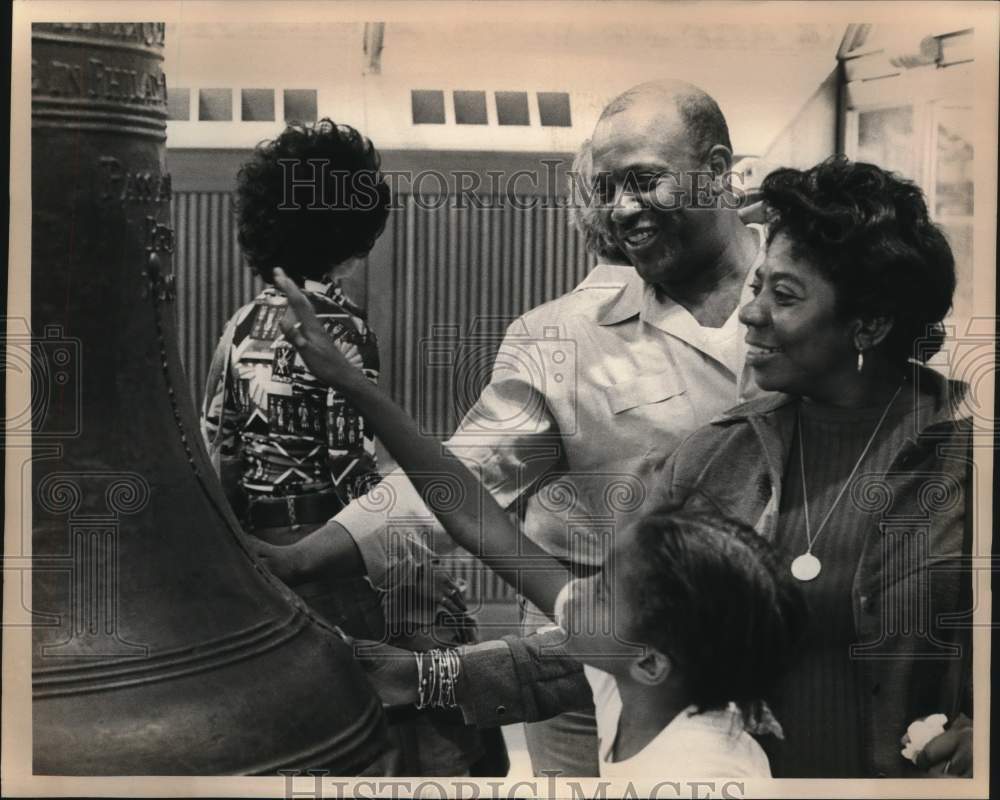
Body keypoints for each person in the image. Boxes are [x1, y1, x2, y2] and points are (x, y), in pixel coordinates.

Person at [385, 157, 973, 779]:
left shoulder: (971, 462)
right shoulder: (717, 456)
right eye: (757, 285)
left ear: (870, 324)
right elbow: (631, 639)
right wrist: (435, 677)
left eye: (786, 295)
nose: (751, 313)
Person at [252, 80, 767, 776]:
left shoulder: (814, 287)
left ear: (716, 167)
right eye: (608, 188)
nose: (622, 211)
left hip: (809, 682)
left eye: (645, 181)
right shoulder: (559, 336)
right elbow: (462, 487)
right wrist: (302, 558)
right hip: (611, 675)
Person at [272, 265, 807, 778]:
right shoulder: (626, 674)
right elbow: (472, 511)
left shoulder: (706, 767)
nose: (571, 594)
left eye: (599, 589)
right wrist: (351, 383)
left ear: (649, 662)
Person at [199, 118, 488, 775]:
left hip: (264, 553)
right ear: (352, 229)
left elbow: (221, 449)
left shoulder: (238, 325)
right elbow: (350, 466)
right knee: (418, 706)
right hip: (335, 551)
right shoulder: (344, 328)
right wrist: (409, 571)